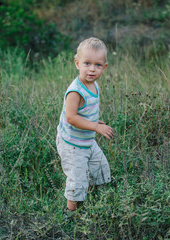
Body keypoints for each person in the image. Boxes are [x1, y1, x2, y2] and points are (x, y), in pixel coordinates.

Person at [56, 37, 114, 212]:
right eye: (87, 63)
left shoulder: (94, 85)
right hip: (73, 145)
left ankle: (98, 201)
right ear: (77, 63)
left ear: (104, 67)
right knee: (77, 181)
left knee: (102, 170)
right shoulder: (75, 91)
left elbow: (84, 113)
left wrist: (94, 122)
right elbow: (71, 118)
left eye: (97, 65)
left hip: (87, 140)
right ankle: (71, 214)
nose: (92, 69)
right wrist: (95, 127)